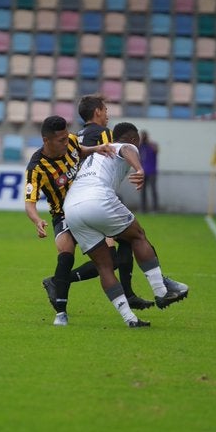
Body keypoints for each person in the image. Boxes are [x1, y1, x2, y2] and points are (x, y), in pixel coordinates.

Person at [63, 122, 189, 327]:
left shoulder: (92, 156)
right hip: (97, 199)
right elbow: (127, 148)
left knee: (104, 266)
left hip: (71, 209)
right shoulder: (122, 145)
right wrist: (139, 168)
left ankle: (130, 319)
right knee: (137, 235)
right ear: (133, 138)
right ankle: (162, 291)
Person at [24, 116, 116, 325]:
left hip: (87, 207)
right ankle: (61, 314)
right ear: (46, 140)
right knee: (66, 255)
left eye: (67, 138)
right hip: (63, 215)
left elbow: (80, 150)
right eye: (61, 140)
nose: (67, 142)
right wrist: (37, 220)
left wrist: (97, 148)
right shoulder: (37, 168)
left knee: (111, 259)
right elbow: (29, 203)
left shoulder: (71, 140)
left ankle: (57, 282)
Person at [74, 94, 154, 310]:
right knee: (115, 254)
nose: (108, 114)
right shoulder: (104, 135)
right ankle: (59, 281)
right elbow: (118, 153)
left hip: (75, 200)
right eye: (106, 109)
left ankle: (129, 294)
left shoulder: (76, 136)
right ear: (98, 111)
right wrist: (138, 168)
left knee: (121, 247)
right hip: (95, 201)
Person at [139, 130, 159, 213]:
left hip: (152, 171)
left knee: (153, 190)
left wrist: (148, 142)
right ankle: (143, 209)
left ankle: (155, 209)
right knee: (142, 191)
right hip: (142, 172)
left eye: (144, 136)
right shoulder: (140, 147)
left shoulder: (152, 145)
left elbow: (156, 150)